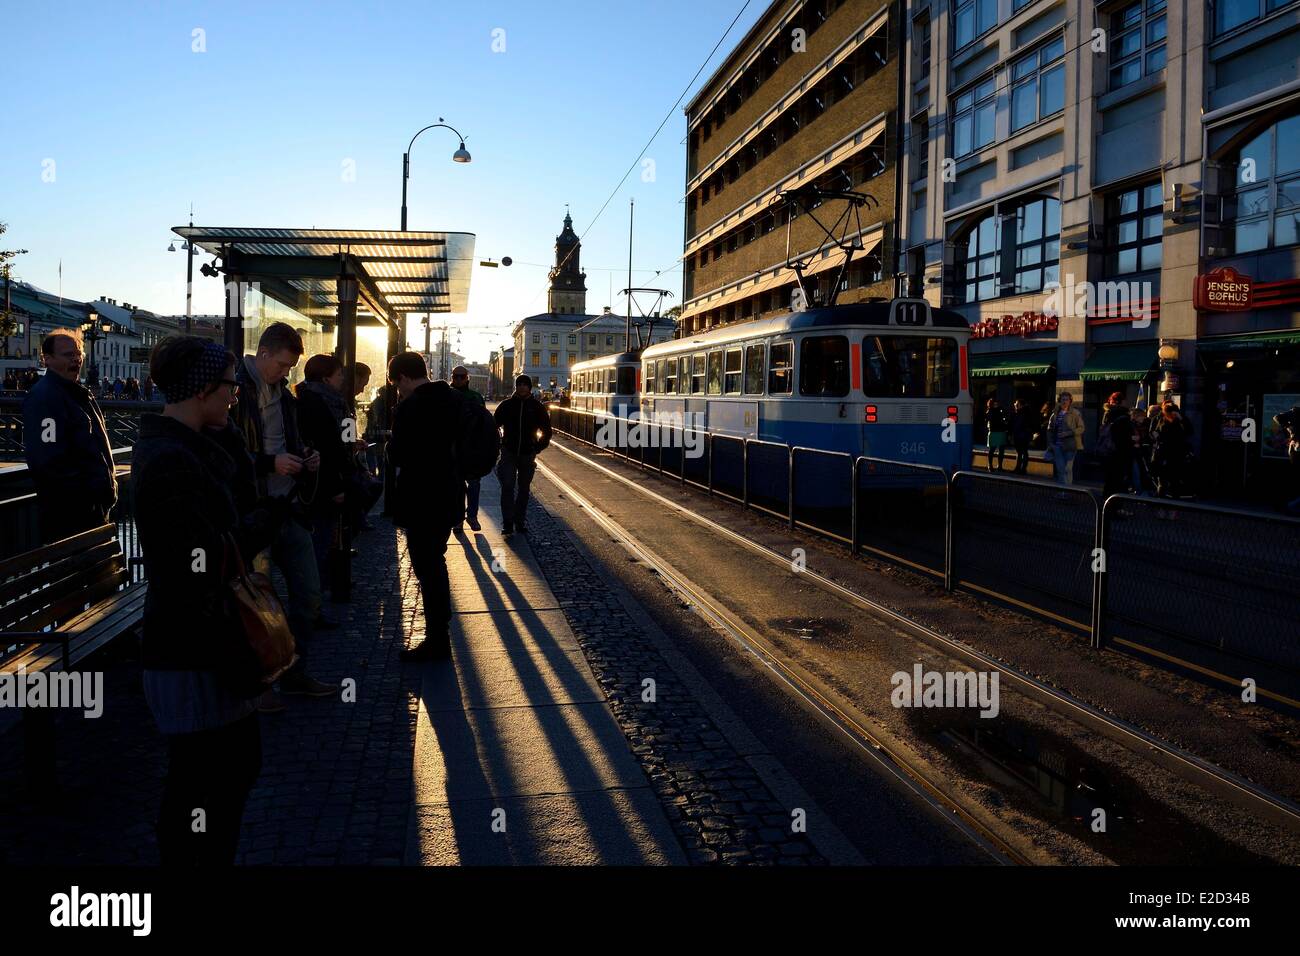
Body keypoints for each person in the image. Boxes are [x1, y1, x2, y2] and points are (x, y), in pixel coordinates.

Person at [132, 335, 284, 865]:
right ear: (201, 390)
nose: (234, 397)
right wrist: (263, 525)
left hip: (206, 644)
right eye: (227, 388)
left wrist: (235, 455)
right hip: (192, 648)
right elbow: (196, 563)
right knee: (205, 785)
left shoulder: (194, 447)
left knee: (226, 773)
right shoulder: (172, 461)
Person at [231, 322, 335, 707]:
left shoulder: (286, 396)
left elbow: (289, 440)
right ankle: (261, 685)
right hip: (253, 512)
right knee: (257, 601)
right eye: (282, 365)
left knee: (308, 594)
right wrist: (269, 463)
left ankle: (294, 672)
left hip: (287, 507)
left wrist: (307, 456)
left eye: (290, 367)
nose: (287, 372)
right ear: (263, 354)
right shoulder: (234, 391)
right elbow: (229, 456)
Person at [385, 352, 465, 662]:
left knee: (428, 567)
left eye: (396, 383)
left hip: (421, 498)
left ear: (403, 377)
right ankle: (439, 634)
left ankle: (437, 641)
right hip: (448, 494)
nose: (397, 389)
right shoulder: (454, 399)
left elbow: (399, 455)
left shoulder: (411, 406)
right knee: (435, 562)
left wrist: (392, 444)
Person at [22, 330, 118, 543]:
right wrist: (89, 498)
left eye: (78, 353)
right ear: (47, 359)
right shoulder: (46, 398)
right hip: (73, 518)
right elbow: (48, 460)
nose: (76, 359)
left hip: (90, 512)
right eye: (68, 355)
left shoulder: (75, 392)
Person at [294, 354, 351, 586]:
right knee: (320, 539)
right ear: (326, 379)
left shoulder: (329, 400)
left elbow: (341, 439)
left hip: (323, 481)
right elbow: (327, 448)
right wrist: (335, 487)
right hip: (321, 484)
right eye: (339, 375)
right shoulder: (318, 403)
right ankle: (315, 596)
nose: (343, 379)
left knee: (322, 537)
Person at [494, 374, 552, 535]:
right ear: (516, 386)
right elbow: (494, 425)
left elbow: (547, 430)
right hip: (509, 452)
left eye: (525, 385)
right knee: (507, 487)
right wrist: (500, 444)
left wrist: (537, 447)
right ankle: (507, 522)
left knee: (524, 489)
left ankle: (519, 521)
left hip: (527, 453)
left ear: (529, 387)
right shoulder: (506, 405)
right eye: (519, 384)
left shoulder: (537, 406)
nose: (522, 387)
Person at [450, 364, 486, 532]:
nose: (458, 379)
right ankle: (458, 518)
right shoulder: (446, 396)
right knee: (456, 485)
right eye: (455, 376)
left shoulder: (475, 397)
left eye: (461, 377)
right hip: (452, 448)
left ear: (467, 378)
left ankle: (471, 516)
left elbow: (484, 423)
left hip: (472, 448)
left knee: (473, 483)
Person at [1150, 400, 1191, 498]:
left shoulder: (1181, 420)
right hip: (1163, 452)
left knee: (1174, 478)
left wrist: (1181, 419)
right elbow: (1155, 432)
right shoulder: (1161, 419)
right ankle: (1162, 497)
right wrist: (1156, 436)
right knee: (1162, 479)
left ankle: (1172, 498)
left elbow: (1189, 431)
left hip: (1176, 452)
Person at [1099, 392, 1136, 496]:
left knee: (1109, 480)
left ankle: (1106, 505)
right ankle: (1117, 508)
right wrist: (1132, 438)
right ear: (1121, 401)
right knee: (1119, 481)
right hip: (1120, 452)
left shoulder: (1108, 413)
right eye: (1125, 400)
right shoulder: (1123, 416)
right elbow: (1123, 436)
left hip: (1107, 451)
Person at [1046, 391, 1085, 485]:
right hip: (1057, 446)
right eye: (1063, 399)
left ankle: (1068, 489)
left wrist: (1069, 433)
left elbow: (1081, 428)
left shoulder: (1075, 413)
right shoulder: (1055, 414)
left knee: (1067, 469)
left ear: (1070, 401)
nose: (1065, 401)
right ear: (1059, 401)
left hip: (1070, 445)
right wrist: (1051, 443)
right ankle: (1062, 491)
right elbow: (1049, 430)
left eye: (1067, 399)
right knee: (1060, 469)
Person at [1273, 405, 1300, 515]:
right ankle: (1290, 505)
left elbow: (1277, 417)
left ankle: (1290, 504)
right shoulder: (1296, 411)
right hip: (1296, 448)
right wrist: (1288, 428)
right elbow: (1277, 417)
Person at [1130, 407, 1153, 496]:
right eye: (1142, 416)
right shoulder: (1131, 425)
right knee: (1136, 472)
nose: (1143, 418)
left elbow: (1146, 437)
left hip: (1142, 452)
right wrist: (1132, 440)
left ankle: (1142, 490)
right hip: (1134, 452)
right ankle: (1138, 491)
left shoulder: (1145, 425)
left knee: (1142, 471)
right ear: (1136, 416)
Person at [1009, 398, 1034, 475]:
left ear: (1021, 405)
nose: (1015, 405)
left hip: (1022, 435)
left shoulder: (1024, 413)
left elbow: (1025, 425)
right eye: (1015, 404)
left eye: (1017, 404)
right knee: (1021, 452)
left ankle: (1021, 469)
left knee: (1022, 452)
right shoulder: (1018, 413)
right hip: (1020, 435)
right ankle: (1019, 468)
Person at [984, 397, 1008, 472]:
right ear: (991, 404)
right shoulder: (990, 411)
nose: (996, 404)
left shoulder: (1001, 410)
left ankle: (1000, 466)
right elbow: (987, 419)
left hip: (1001, 431)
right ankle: (990, 465)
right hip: (994, 431)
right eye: (994, 403)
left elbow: (1005, 418)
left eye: (997, 403)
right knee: (992, 450)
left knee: (1001, 450)